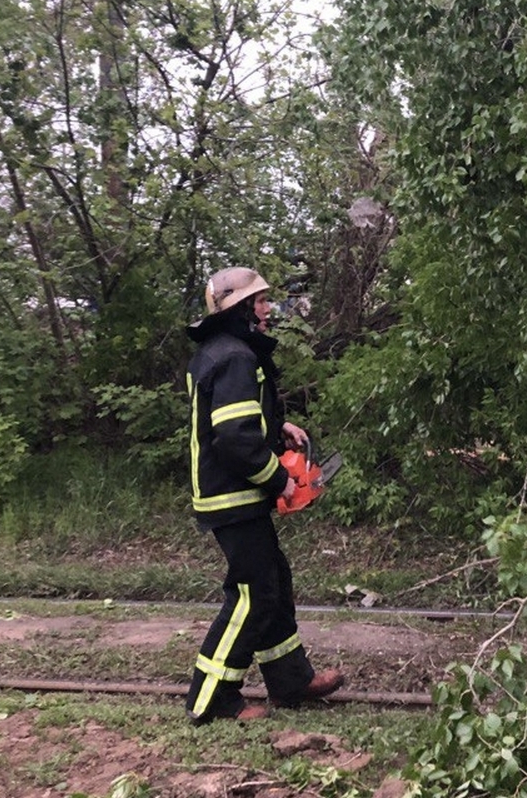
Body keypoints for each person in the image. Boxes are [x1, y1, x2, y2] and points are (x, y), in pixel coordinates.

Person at [183, 266, 344, 724]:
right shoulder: (235, 357)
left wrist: (277, 429)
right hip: (232, 496)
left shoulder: (223, 351)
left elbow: (239, 422)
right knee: (253, 593)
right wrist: (279, 479)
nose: (268, 309)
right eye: (260, 301)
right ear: (237, 308)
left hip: (231, 495)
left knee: (273, 579)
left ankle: (290, 679)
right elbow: (233, 438)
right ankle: (211, 699)